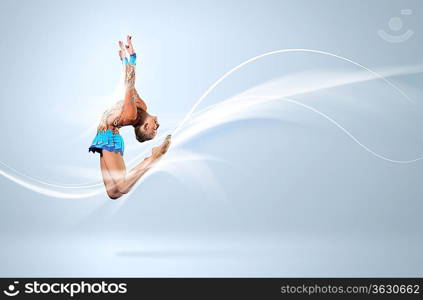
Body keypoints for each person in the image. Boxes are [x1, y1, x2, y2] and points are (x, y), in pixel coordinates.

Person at [89, 35, 171, 199]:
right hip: (105, 136)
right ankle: (152, 158)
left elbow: (129, 85)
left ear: (145, 126)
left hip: (108, 138)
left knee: (123, 186)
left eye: (154, 130)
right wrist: (125, 62)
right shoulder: (142, 107)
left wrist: (132, 59)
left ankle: (155, 156)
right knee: (113, 193)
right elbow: (131, 87)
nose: (157, 126)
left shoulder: (131, 114)